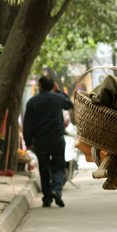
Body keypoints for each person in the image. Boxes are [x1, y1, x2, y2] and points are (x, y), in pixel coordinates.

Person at [23, 75, 73, 207]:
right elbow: (69, 104)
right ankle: (56, 190)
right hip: (57, 139)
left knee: (44, 169)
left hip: (41, 140)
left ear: (40, 86)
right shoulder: (57, 98)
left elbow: (27, 124)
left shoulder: (32, 102)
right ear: (53, 86)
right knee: (59, 166)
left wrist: (28, 142)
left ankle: (47, 198)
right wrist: (59, 91)